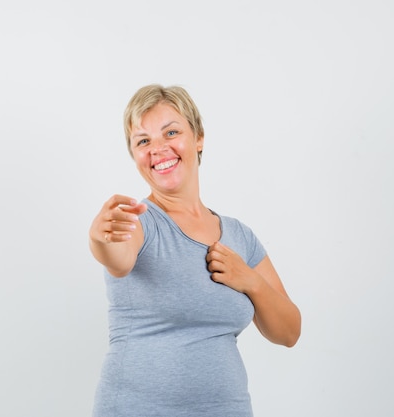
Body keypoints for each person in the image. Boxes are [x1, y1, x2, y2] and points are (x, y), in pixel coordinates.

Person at [88, 84, 301, 417]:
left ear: (198, 137)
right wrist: (100, 239)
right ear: (134, 156)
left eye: (171, 132)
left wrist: (250, 281)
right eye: (143, 141)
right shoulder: (139, 222)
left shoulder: (239, 236)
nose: (158, 149)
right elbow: (117, 258)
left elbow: (288, 332)